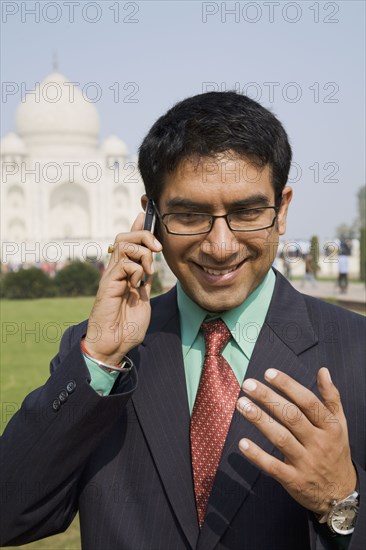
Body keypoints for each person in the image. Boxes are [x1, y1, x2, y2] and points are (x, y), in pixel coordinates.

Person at [1, 92, 365, 550]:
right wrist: (98, 361)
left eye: (247, 212)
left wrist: (340, 499)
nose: (220, 245)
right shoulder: (105, 357)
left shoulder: (356, 351)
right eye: (189, 215)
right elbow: (10, 514)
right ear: (151, 216)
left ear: (282, 209)